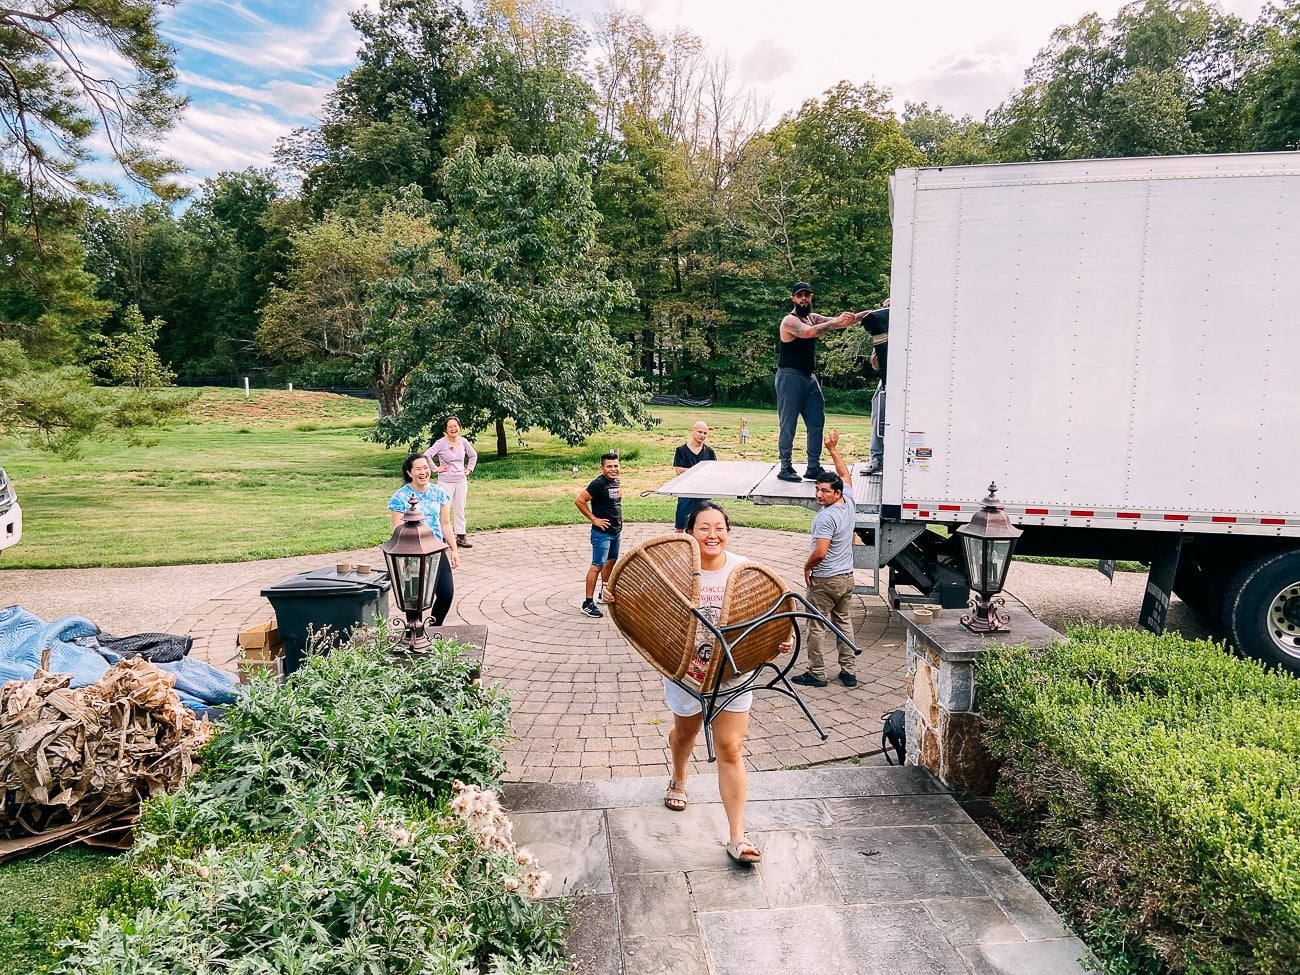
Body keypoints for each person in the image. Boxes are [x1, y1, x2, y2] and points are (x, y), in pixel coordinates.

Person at [662, 501, 792, 864]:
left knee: (731, 747)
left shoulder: (744, 571)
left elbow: (771, 618)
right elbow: (645, 604)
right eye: (704, 527)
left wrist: (780, 640)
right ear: (689, 533)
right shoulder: (675, 570)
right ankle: (679, 776)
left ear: (728, 532)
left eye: (719, 527)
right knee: (686, 734)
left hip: (735, 672)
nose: (712, 535)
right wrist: (613, 596)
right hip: (687, 671)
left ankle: (737, 836)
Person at [793, 430, 858, 688]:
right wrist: (832, 449)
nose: (819, 495)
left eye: (824, 491)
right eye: (817, 489)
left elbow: (820, 552)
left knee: (816, 626)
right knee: (844, 623)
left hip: (826, 580)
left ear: (837, 494)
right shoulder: (849, 502)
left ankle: (817, 674)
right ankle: (849, 672)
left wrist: (807, 567)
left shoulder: (825, 518)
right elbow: (845, 475)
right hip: (847, 578)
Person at [776, 282, 856, 482]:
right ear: (792, 298)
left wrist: (866, 314)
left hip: (809, 378)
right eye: (799, 295)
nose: (804, 299)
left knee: (816, 421)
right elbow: (808, 332)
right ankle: (785, 467)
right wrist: (835, 321)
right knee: (788, 424)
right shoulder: (789, 321)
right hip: (790, 376)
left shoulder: (812, 317)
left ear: (811, 297)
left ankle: (813, 467)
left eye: (807, 295)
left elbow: (838, 322)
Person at [387, 453, 460, 625]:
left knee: (446, 593)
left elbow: (445, 523)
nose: (423, 472)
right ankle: (414, 633)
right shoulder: (400, 497)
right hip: (411, 552)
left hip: (435, 548)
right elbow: (397, 528)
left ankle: (435, 628)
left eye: (426, 468)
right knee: (415, 599)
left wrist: (454, 549)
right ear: (409, 472)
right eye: (418, 469)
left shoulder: (439, 492)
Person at [575, 451, 623, 618]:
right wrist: (594, 519)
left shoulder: (616, 481)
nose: (613, 469)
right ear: (602, 468)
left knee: (610, 562)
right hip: (602, 534)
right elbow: (579, 500)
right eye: (609, 466)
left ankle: (604, 591)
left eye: (616, 466)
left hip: (615, 532)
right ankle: (587, 603)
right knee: (597, 565)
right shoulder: (598, 484)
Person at [425, 416, 478, 548]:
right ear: (446, 429)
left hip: (461, 480)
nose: (453, 429)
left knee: (460, 508)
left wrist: (469, 469)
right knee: (444, 509)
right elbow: (427, 455)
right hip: (445, 481)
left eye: (455, 426)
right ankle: (441, 537)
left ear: (459, 427)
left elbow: (473, 455)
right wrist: (436, 469)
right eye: (450, 427)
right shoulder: (441, 443)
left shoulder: (464, 442)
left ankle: (461, 536)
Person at [859, 299, 891, 475]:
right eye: (885, 308)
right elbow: (875, 365)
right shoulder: (883, 332)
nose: (886, 311)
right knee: (878, 414)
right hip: (887, 379)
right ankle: (876, 458)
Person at [672, 421, 717, 533]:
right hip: (685, 493)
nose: (702, 435)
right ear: (693, 431)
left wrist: (691, 471)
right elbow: (679, 471)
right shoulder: (681, 450)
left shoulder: (710, 452)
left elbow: (713, 472)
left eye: (705, 433)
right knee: (680, 527)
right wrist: (701, 471)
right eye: (699, 432)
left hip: (704, 493)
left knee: (703, 526)